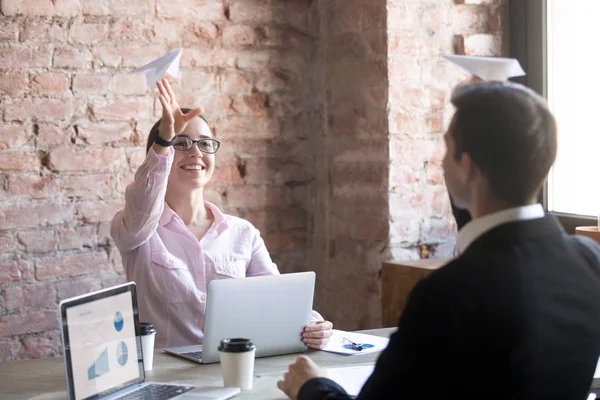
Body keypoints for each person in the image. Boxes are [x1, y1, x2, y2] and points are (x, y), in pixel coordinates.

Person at [277, 81, 600, 399]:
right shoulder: (588, 260)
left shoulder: (448, 294)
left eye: (447, 148)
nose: (441, 163)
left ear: (468, 165)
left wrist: (313, 387)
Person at [110, 78, 333, 349]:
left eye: (205, 144)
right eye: (181, 143)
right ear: (162, 154)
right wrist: (164, 141)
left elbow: (277, 298)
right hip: (166, 379)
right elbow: (142, 202)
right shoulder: (137, 229)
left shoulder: (242, 234)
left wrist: (312, 325)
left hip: (232, 369)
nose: (195, 152)